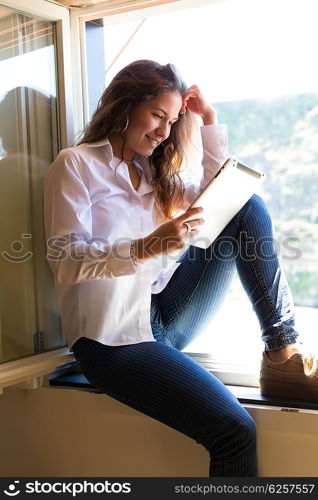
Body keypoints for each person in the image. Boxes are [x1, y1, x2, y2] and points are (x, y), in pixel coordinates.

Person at [44, 59, 317, 477]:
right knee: (234, 430)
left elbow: (221, 202)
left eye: (172, 121)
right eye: (157, 115)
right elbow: (66, 261)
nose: (163, 131)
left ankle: (282, 351)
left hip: (162, 317)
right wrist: (147, 246)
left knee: (245, 206)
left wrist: (208, 120)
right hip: (109, 342)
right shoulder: (76, 165)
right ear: (125, 105)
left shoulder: (151, 174)